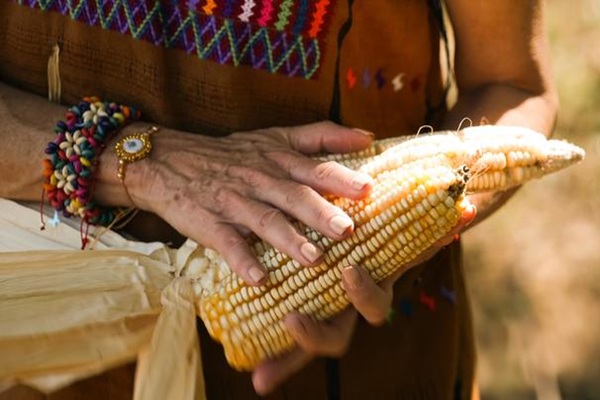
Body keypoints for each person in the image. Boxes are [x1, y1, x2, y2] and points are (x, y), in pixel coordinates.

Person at [0, 0, 558, 399]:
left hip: (354, 359)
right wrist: (139, 163)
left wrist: (384, 242)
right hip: (38, 346)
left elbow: (512, 83)